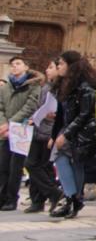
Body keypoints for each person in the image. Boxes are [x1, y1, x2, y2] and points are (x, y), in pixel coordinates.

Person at [48, 50, 96, 219]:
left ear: (72, 66)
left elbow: (85, 114)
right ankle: (73, 198)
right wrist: (54, 135)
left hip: (83, 131)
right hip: (69, 129)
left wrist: (66, 135)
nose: (58, 66)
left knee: (69, 160)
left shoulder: (85, 86)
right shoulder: (64, 84)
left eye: (62, 63)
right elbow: (61, 114)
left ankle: (72, 198)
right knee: (67, 160)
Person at [0, 56, 43, 210]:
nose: (14, 66)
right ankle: (2, 197)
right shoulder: (6, 87)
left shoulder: (33, 85)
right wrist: (3, 123)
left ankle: (12, 198)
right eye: (12, 64)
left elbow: (30, 106)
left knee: (15, 166)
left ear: (26, 67)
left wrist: (11, 123)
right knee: (3, 165)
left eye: (18, 64)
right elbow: (0, 106)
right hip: (5, 129)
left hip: (21, 129)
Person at [25, 59, 62, 213]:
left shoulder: (61, 88)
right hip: (38, 128)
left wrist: (54, 115)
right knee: (31, 164)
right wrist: (34, 117)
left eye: (51, 67)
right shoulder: (45, 87)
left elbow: (62, 111)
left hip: (50, 131)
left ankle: (52, 195)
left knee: (43, 166)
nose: (47, 70)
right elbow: (39, 107)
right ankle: (40, 199)